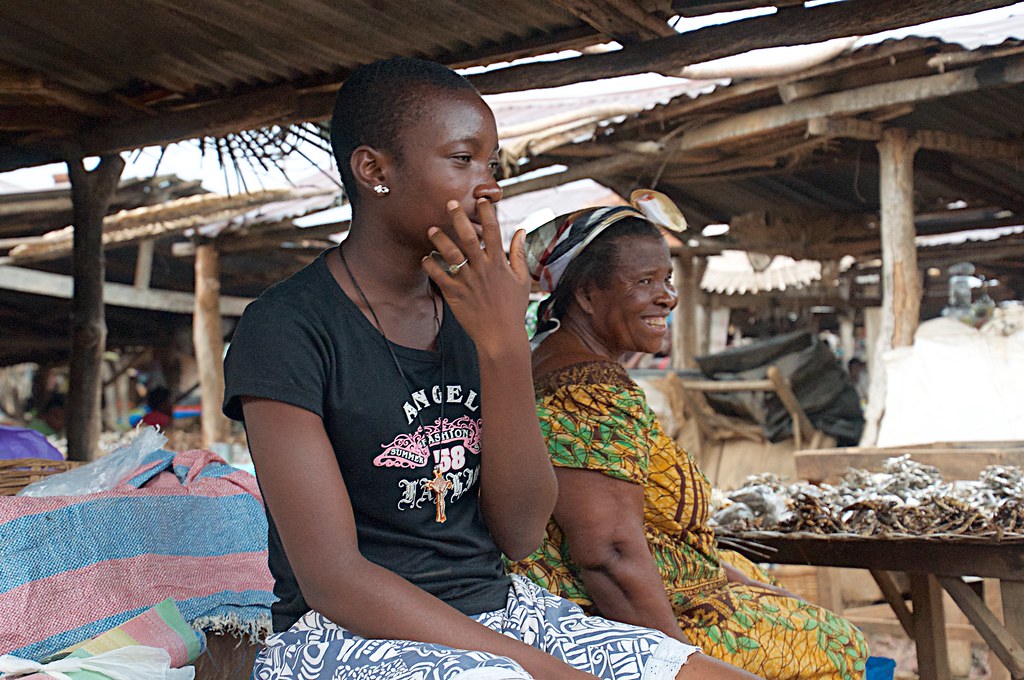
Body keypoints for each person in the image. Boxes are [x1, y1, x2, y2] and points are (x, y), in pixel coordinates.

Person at [222, 58, 759, 680]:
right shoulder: (287, 328)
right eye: (463, 159)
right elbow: (335, 581)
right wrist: (545, 670)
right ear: (374, 170)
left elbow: (522, 531)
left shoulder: (477, 313)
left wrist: (505, 343)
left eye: (493, 164)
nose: (489, 186)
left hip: (501, 611)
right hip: (346, 635)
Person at [508, 197, 869, 680]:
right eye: (644, 282)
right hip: (634, 625)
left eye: (667, 280)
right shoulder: (585, 392)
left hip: (673, 596)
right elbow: (609, 555)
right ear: (588, 295)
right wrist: (682, 665)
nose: (668, 297)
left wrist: (734, 577)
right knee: (836, 644)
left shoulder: (565, 366)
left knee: (787, 602)